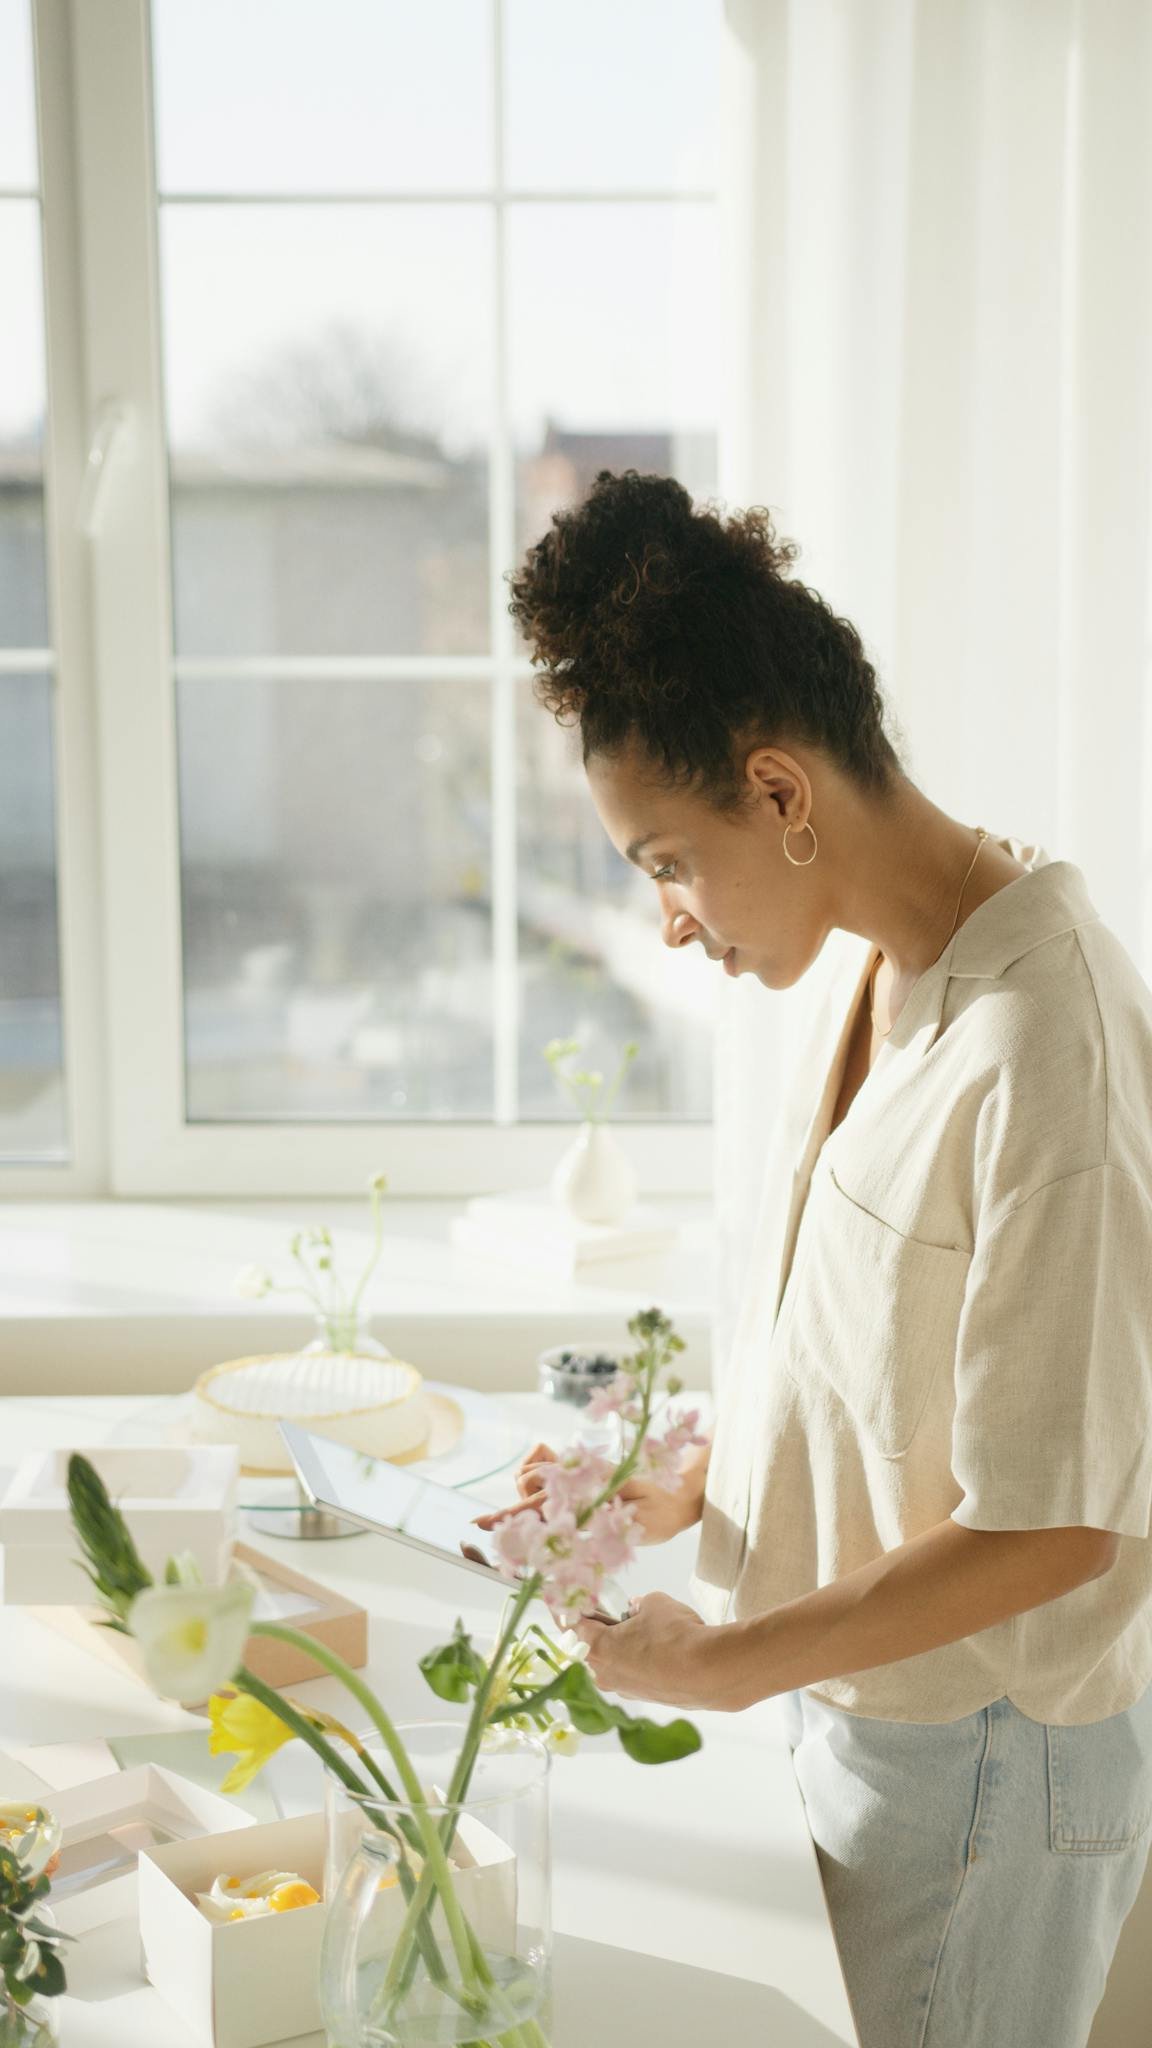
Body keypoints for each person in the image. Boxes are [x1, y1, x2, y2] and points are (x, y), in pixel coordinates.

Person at [472, 468, 1152, 2048]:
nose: (669, 923)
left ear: (779, 793)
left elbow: (1057, 1527)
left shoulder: (1047, 1039)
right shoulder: (894, 977)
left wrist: (718, 1665)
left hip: (988, 1759)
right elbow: (887, 1369)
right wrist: (690, 1486)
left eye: (664, 860)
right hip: (882, 1719)